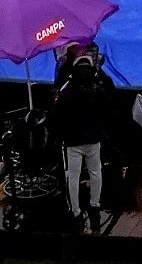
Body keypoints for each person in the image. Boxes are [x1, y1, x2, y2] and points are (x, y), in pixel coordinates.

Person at [50, 42, 120, 230]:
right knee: (95, 173)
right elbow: (108, 103)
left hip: (72, 142)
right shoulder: (97, 91)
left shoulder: (66, 92)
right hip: (93, 139)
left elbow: (57, 114)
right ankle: (95, 204)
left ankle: (75, 211)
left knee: (72, 176)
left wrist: (62, 136)